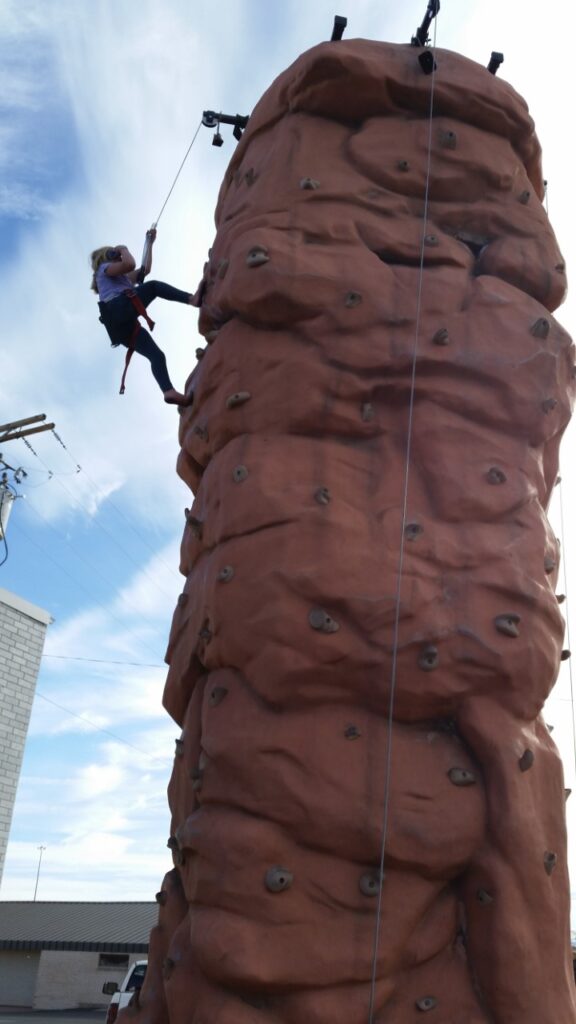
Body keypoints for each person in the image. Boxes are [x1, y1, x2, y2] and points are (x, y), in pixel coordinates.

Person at [90, 228, 196, 405]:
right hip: (120, 309)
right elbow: (129, 264)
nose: (118, 257)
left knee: (156, 355)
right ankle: (191, 299)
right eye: (113, 254)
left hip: (123, 328)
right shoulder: (103, 269)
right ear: (107, 257)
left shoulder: (119, 279)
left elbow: (143, 270)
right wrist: (123, 249)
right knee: (153, 287)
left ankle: (168, 391)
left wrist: (149, 243)